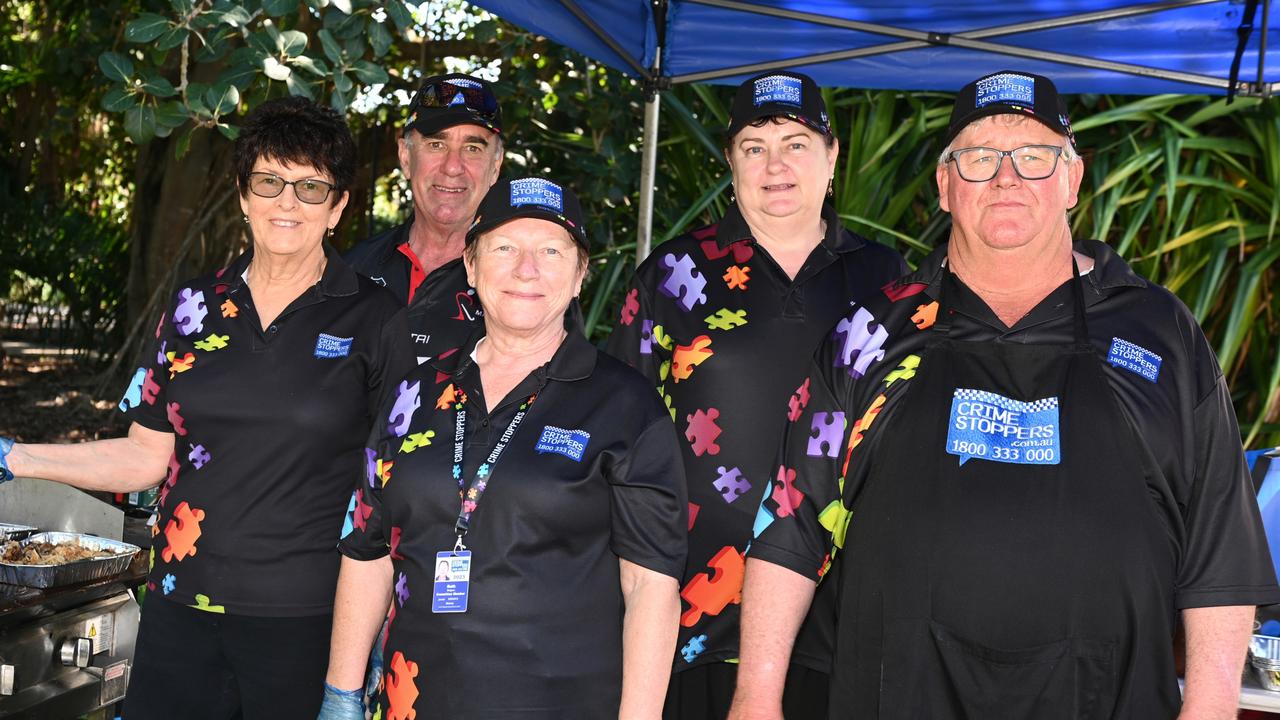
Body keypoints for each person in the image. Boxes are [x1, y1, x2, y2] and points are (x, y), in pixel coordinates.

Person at [730, 70, 1280, 719]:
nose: (1006, 177)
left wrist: (1211, 709)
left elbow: (1220, 552)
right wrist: (755, 697)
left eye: (1034, 156)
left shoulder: (1161, 334)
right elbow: (790, 526)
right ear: (944, 185)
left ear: (1072, 179)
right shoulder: (870, 334)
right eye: (981, 157)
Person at [0, 96, 413, 718]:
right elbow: (144, 456)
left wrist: (353, 673)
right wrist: (15, 456)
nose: (286, 203)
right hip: (176, 609)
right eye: (269, 181)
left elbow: (394, 495)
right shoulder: (193, 306)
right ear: (244, 195)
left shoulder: (378, 320)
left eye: (310, 187)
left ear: (339, 206)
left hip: (302, 623)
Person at [320, 177, 688, 719]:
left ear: (580, 273)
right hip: (410, 701)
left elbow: (650, 586)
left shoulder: (627, 406)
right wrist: (341, 695)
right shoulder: (415, 393)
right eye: (505, 248)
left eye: (551, 251)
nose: (527, 269)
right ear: (470, 266)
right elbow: (368, 552)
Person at [606, 70, 906, 718]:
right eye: (754, 147)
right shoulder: (671, 276)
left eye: (796, 144)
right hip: (693, 628)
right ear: (730, 163)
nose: (776, 166)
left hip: (849, 625)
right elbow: (619, 451)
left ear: (831, 158)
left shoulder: (891, 283)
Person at [345, 73, 502, 365]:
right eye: (436, 145)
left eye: (472, 148)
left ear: (495, 166)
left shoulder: (522, 281)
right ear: (405, 156)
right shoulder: (352, 269)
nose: (453, 167)